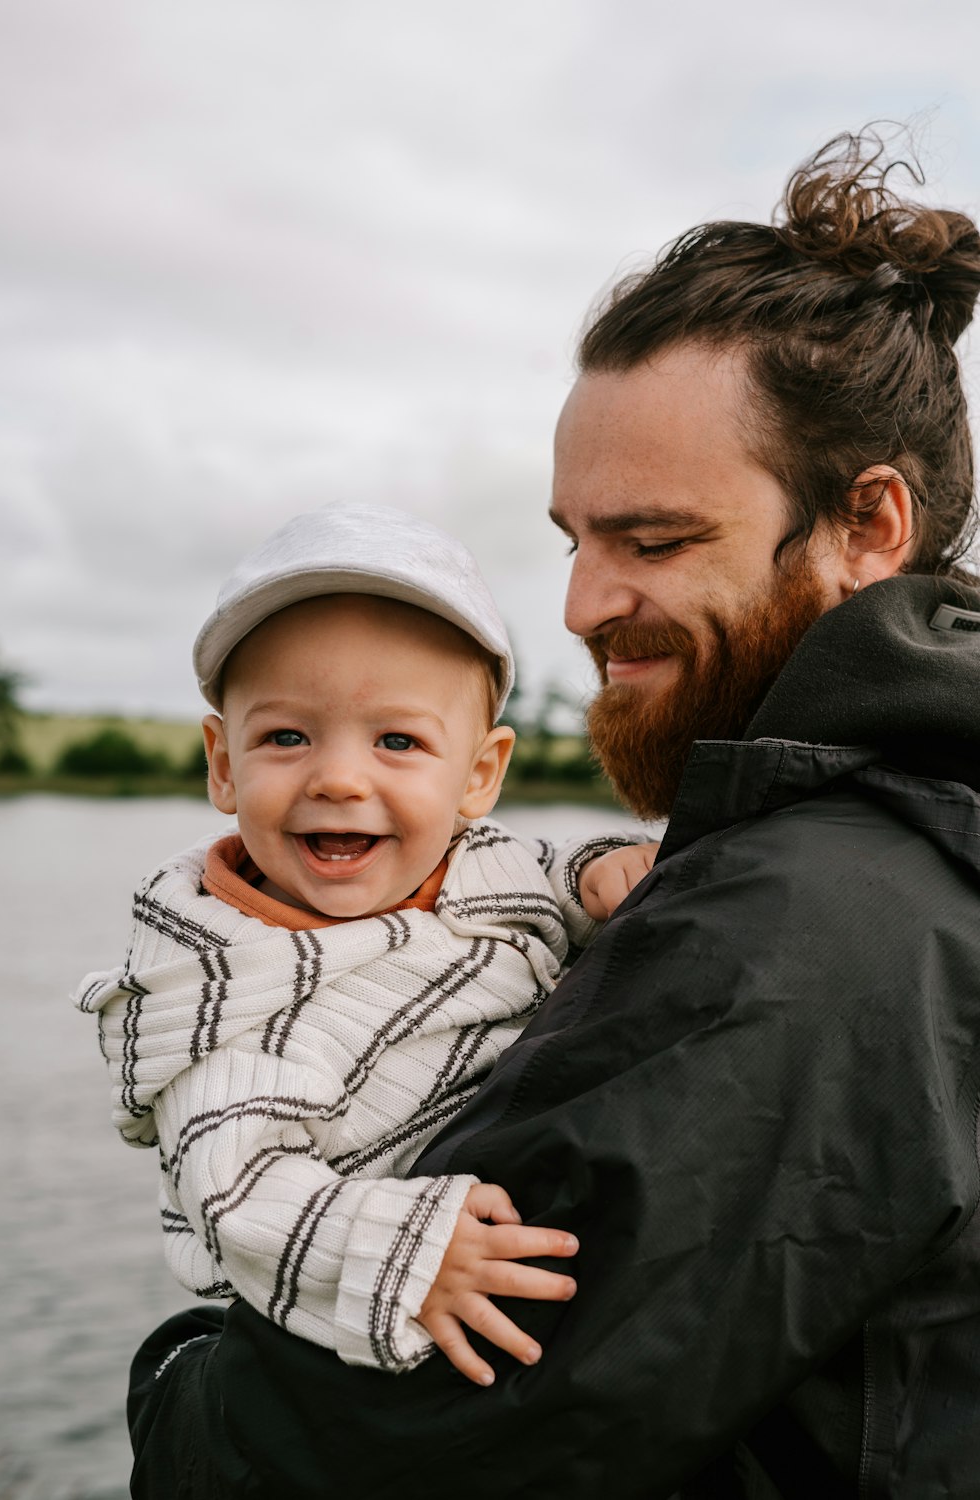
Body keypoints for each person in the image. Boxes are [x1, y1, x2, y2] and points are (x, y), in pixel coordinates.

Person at [122, 129, 980, 1499]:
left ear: (867, 525)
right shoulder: (904, 842)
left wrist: (174, 1381)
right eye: (571, 540)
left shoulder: (793, 930)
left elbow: (376, 1456)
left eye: (652, 541)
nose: (581, 606)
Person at [76, 505, 654, 1389]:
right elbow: (238, 1199)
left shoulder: (486, 868)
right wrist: (412, 1255)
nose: (340, 778)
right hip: (374, 1325)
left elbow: (550, 878)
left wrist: (598, 876)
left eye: (397, 741)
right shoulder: (222, 1005)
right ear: (223, 763)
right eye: (286, 737)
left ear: (479, 775)